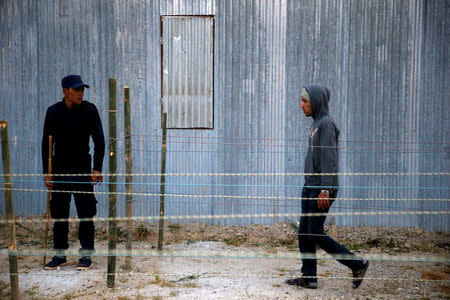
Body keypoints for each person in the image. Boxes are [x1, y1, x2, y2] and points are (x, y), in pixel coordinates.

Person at [285, 85, 369, 289]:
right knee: (305, 232)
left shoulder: (326, 125)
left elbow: (329, 159)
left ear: (315, 102)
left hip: (321, 189)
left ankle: (357, 264)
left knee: (314, 233)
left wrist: (325, 189)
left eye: (304, 101)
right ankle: (309, 277)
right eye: (301, 101)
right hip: (311, 186)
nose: (301, 105)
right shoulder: (316, 124)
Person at [42, 75, 105, 270]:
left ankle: (86, 256)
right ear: (65, 91)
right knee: (59, 214)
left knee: (85, 214)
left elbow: (99, 139)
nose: (80, 93)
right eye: (76, 90)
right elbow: (46, 143)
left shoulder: (89, 110)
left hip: (82, 170)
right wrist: (47, 172)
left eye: (82, 90)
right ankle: (59, 255)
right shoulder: (53, 112)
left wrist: (97, 167)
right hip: (59, 171)